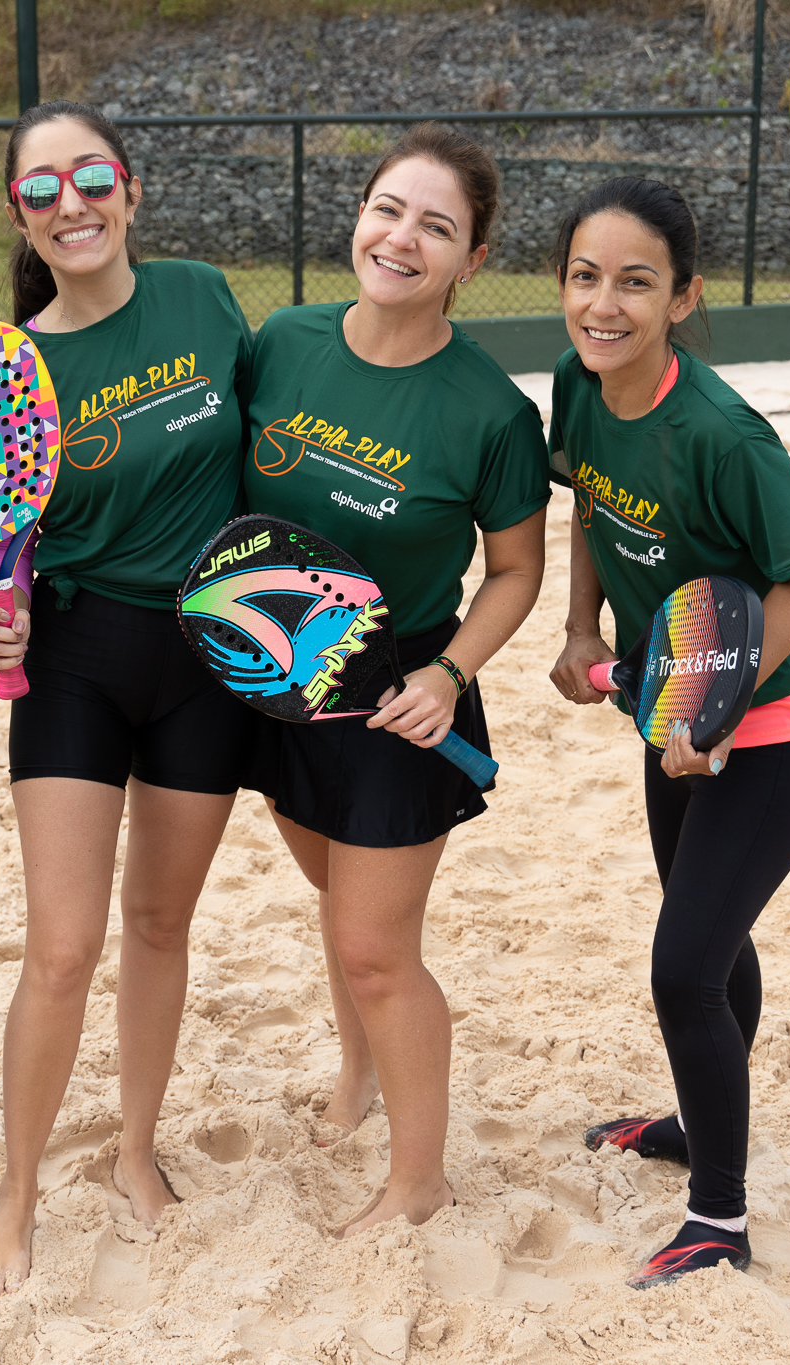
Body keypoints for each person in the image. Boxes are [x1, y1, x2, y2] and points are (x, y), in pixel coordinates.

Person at [0, 100, 259, 1294]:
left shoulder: (201, 299)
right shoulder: (6, 368)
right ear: (20, 216)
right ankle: (17, 1193)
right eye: (41, 189)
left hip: (207, 656)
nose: (70, 204)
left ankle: (135, 1152)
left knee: (158, 926)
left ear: (131, 190)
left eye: (90, 178)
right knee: (61, 947)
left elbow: (264, 457)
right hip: (78, 658)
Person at [239, 122, 550, 1236]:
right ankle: (358, 1073)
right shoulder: (282, 342)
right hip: (278, 684)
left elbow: (516, 570)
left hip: (398, 699)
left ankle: (419, 1179)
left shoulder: (492, 412)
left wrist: (450, 672)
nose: (401, 238)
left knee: (377, 948)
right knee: (340, 906)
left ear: (471, 260)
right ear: (358, 217)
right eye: (387, 209)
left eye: (436, 226)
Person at [543, 175, 790, 1289]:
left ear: (682, 298)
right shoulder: (577, 385)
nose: (603, 303)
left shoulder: (721, 434)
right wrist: (580, 627)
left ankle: (719, 1219)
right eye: (584, 277)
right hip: (668, 712)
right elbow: (585, 503)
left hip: (771, 732)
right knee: (711, 939)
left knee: (682, 968)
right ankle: (693, 1122)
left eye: (634, 283)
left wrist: (720, 709)